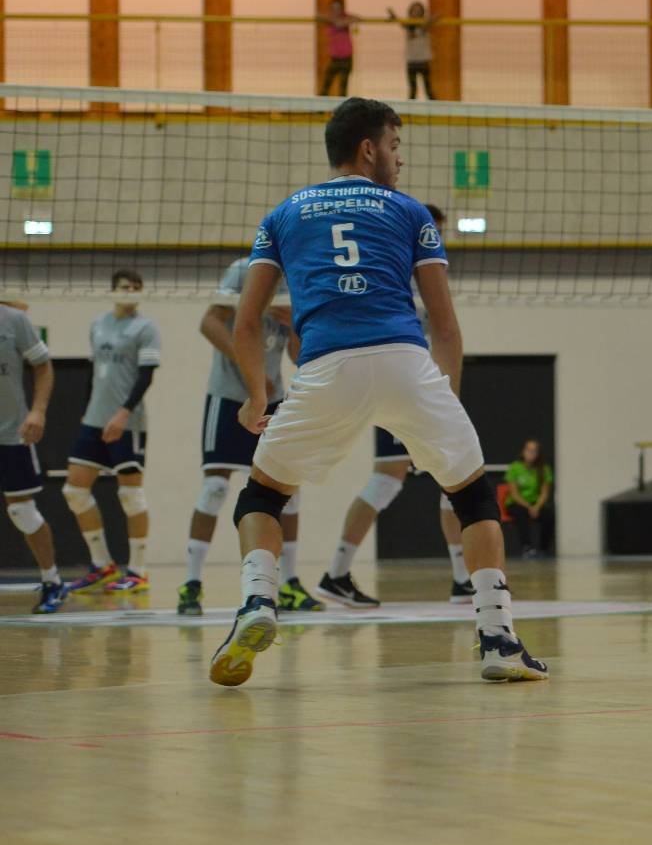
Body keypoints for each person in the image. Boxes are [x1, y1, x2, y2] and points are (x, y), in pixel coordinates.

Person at [209, 97, 545, 686]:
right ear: (369, 149)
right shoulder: (410, 211)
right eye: (395, 146)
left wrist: (258, 395)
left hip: (325, 367)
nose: (399, 158)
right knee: (473, 498)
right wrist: (443, 406)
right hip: (403, 362)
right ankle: (499, 639)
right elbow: (445, 327)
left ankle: (258, 600)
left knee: (260, 497)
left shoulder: (283, 214)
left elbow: (244, 323)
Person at [319, 203, 472, 609]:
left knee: (428, 477)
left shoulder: (424, 276)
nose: (435, 239)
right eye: (432, 231)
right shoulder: (393, 270)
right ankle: (337, 573)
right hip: (402, 385)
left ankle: (462, 579)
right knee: (432, 475)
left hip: (415, 386)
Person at [180, 259, 321, 617]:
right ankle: (191, 583)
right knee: (215, 488)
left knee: (290, 490)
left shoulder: (299, 276)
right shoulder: (244, 270)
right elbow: (209, 322)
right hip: (229, 395)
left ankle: (288, 583)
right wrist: (251, 367)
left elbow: (297, 354)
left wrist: (294, 324)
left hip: (272, 397)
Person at [59, 270, 162, 595]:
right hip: (94, 420)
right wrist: (87, 408)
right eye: (125, 287)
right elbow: (94, 371)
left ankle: (138, 571)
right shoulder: (98, 324)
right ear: (113, 290)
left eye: (136, 288)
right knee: (74, 491)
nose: (130, 292)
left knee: (131, 496)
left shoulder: (145, 328)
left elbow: (146, 376)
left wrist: (122, 412)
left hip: (127, 423)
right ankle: (102, 565)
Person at [0, 299, 64, 613]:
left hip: (11, 432)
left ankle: (52, 581)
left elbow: (43, 366)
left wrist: (38, 411)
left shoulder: (13, 320)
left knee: (22, 511)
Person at [503, 439, 554, 557]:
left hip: (535, 503)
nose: (531, 453)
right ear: (523, 451)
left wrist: (536, 507)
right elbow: (514, 494)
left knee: (549, 516)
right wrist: (529, 507)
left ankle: (544, 548)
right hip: (517, 503)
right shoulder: (515, 467)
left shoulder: (544, 469)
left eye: (534, 450)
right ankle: (527, 547)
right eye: (528, 449)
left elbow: (544, 493)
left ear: (538, 454)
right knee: (521, 513)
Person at [393, 1, 434, 100]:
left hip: (423, 61)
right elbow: (406, 28)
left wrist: (431, 20)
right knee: (412, 89)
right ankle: (410, 108)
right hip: (411, 61)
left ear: (422, 12)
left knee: (428, 89)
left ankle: (436, 107)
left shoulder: (424, 24)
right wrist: (394, 17)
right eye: (414, 10)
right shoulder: (408, 25)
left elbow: (425, 27)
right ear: (410, 12)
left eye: (418, 11)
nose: (416, 13)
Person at [319, 0, 355, 98]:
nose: (336, 10)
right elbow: (318, 15)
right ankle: (320, 106)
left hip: (347, 58)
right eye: (333, 8)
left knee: (343, 87)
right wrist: (335, 20)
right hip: (334, 58)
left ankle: (343, 107)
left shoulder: (345, 17)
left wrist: (343, 21)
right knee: (326, 84)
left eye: (338, 8)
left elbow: (356, 18)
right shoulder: (329, 19)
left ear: (342, 9)